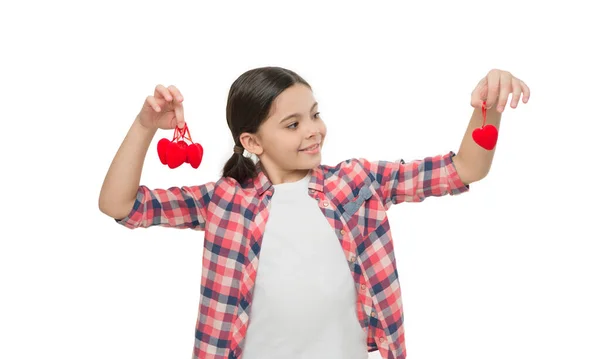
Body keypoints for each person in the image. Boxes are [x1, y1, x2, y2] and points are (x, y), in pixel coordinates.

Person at [98, 66, 530, 359]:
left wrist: (486, 108)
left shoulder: (356, 182)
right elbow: (119, 205)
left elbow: (464, 169)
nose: (314, 130)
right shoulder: (223, 200)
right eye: (292, 124)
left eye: (314, 114)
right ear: (251, 142)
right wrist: (144, 127)